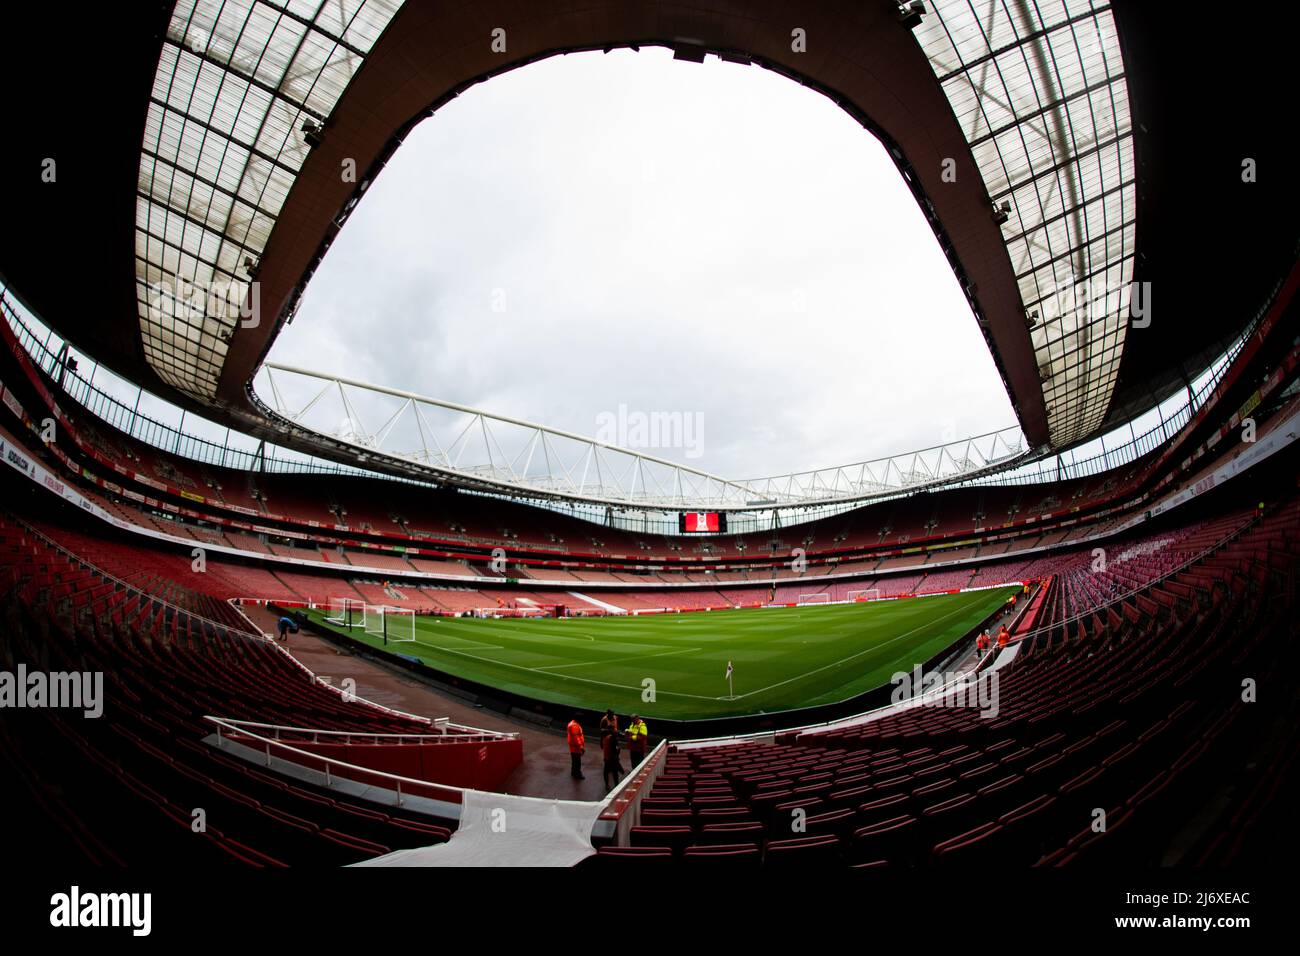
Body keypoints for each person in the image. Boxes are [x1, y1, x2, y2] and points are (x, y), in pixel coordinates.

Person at [602, 726, 624, 790]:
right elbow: (615, 749)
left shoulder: (605, 737)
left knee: (606, 771)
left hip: (607, 757)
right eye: (614, 729)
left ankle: (607, 785)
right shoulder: (612, 738)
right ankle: (616, 785)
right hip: (612, 758)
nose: (616, 730)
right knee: (615, 772)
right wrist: (618, 750)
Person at [566, 714, 585, 780]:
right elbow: (576, 737)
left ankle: (573, 772)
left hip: (573, 745)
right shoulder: (574, 726)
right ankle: (578, 774)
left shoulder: (572, 723)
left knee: (574, 760)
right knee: (577, 761)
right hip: (576, 746)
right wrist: (581, 746)